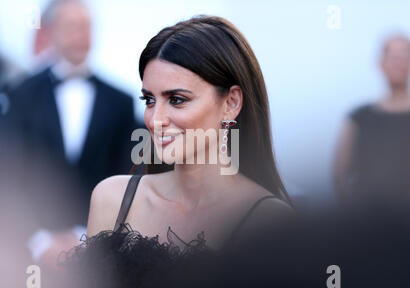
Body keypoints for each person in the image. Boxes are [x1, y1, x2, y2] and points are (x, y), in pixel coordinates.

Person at [86, 15, 294, 254]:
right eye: (149, 100)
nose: (155, 120)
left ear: (231, 103)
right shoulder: (112, 199)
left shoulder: (270, 221)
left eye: (177, 100)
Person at [7, 0, 137, 271]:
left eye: (87, 27)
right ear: (52, 32)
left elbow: (126, 175)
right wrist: (39, 240)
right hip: (26, 252)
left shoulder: (121, 101)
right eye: (72, 26)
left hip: (99, 255)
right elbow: (9, 168)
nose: (82, 35)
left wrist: (88, 237)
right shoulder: (19, 94)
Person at [333, 33, 410, 210]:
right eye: (394, 57)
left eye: (405, 56)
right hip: (370, 222)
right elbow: (340, 174)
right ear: (381, 63)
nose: (399, 63)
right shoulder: (358, 118)